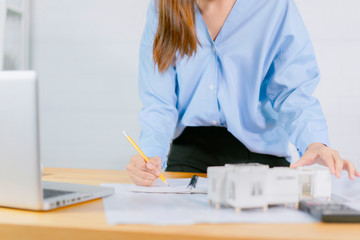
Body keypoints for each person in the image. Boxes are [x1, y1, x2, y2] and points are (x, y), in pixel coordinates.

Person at [126, 0, 360, 186]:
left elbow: (292, 92)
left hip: (260, 157)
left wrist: (315, 143)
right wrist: (150, 158)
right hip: (190, 155)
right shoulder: (163, 8)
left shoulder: (274, 6)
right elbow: (159, 103)